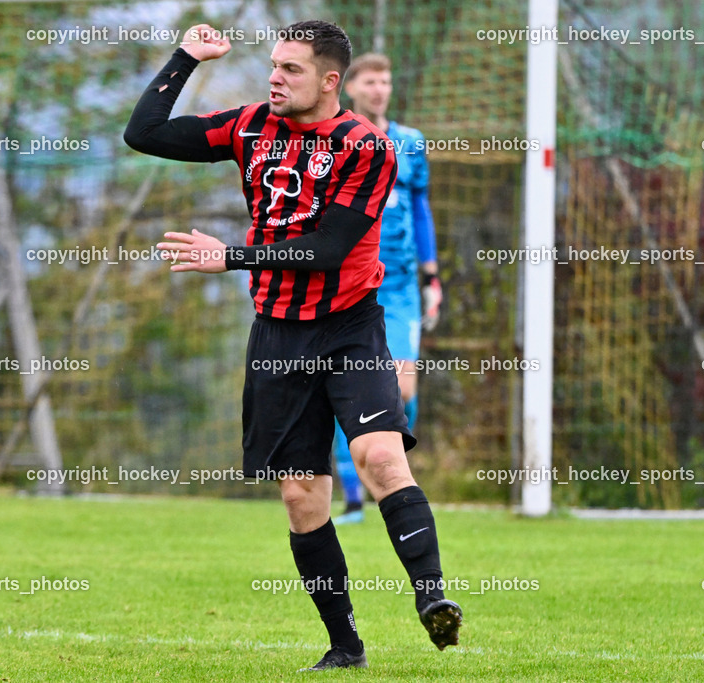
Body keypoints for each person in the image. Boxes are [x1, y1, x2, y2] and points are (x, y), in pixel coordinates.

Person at [124, 20, 461, 670]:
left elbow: (328, 250)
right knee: (301, 495)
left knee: (381, 458)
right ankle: (345, 646)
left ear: (330, 81)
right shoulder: (250, 126)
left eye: (291, 69)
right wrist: (186, 58)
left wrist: (232, 256)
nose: (274, 78)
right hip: (277, 333)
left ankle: (433, 600)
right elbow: (145, 132)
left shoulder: (367, 148)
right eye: (273, 66)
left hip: (349, 325)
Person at [332, 53, 442, 525]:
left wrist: (432, 277)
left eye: (386, 81)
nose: (379, 89)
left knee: (402, 386)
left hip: (399, 288)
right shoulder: (338, 138)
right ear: (350, 87)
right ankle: (355, 495)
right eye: (370, 81)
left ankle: (391, 478)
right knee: (342, 388)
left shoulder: (411, 143)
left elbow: (421, 211)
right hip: (351, 284)